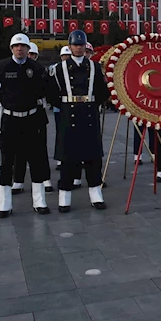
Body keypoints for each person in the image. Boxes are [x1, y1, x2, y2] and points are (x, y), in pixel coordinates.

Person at [0, 33, 51, 217]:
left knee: (36, 161)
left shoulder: (36, 68)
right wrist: (3, 99)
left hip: (31, 119)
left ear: (29, 49)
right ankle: (5, 204)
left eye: (23, 46)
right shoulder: (1, 67)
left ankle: (40, 202)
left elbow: (47, 89)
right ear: (11, 48)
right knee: (7, 162)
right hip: (10, 120)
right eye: (16, 46)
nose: (19, 49)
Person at [46, 30, 109, 212]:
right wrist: (65, 105)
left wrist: (91, 103)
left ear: (85, 47)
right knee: (68, 159)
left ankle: (96, 194)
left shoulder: (95, 67)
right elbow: (51, 93)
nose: (79, 48)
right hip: (69, 113)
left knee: (93, 159)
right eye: (75, 45)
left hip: (89, 113)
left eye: (81, 45)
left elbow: (102, 92)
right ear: (70, 46)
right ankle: (64, 197)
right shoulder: (58, 68)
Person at [12, 42, 53, 194]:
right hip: (18, 114)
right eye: (29, 55)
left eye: (32, 55)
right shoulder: (14, 69)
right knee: (19, 149)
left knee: (40, 149)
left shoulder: (39, 71)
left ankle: (45, 178)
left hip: (37, 114)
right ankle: (18, 180)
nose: (30, 57)